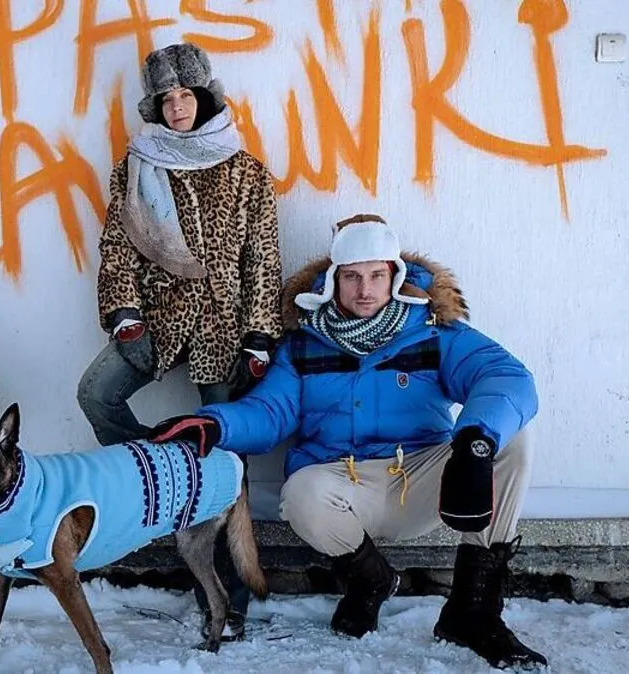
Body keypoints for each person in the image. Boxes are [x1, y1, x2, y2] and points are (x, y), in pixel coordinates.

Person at [150, 215, 547, 669]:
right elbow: (270, 412)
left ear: (394, 277)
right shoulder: (303, 344)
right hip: (343, 486)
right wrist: (214, 425)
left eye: (377, 275)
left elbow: (506, 378)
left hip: (421, 480)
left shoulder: (435, 331)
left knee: (512, 437)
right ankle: (370, 582)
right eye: (353, 277)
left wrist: (475, 439)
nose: (365, 289)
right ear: (333, 280)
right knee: (301, 492)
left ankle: (472, 613)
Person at [76, 42, 283, 639]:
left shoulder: (245, 170)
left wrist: (261, 334)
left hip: (223, 322)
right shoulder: (140, 163)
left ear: (205, 97)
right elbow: (117, 244)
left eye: (185, 95)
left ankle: (227, 586)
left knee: (226, 449)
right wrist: (125, 315)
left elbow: (262, 259)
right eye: (165, 99)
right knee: (96, 394)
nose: (176, 108)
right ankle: (166, 481)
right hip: (159, 317)